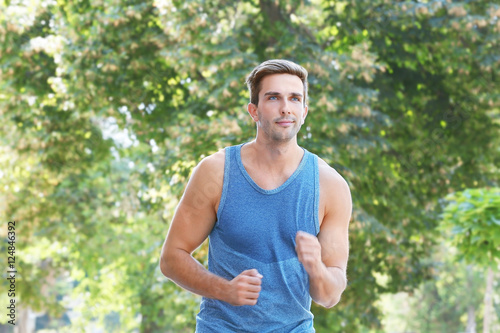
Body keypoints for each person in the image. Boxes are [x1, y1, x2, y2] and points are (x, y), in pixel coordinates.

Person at [160, 59, 352, 332]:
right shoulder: (216, 172)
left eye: (294, 98)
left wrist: (317, 270)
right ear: (254, 111)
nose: (285, 107)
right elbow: (171, 258)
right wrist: (224, 289)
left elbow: (329, 295)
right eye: (273, 97)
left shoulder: (330, 185)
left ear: (305, 111)